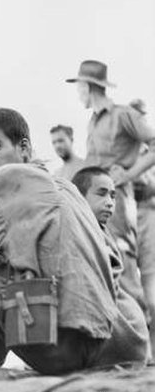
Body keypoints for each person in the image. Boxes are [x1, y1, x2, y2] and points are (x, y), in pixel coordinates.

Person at [0, 108, 149, 376]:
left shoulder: (9, 178)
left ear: (24, 148)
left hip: (66, 350)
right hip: (122, 345)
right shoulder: (68, 188)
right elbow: (113, 263)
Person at [66, 60, 155, 313]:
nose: (78, 93)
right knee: (102, 269)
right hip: (92, 205)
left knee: (123, 268)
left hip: (116, 205)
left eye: (79, 86)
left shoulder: (123, 114)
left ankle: (140, 342)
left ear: (88, 86)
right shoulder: (93, 122)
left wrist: (128, 174)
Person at [72, 166, 150, 363]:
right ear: (79, 197)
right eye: (102, 194)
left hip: (122, 337)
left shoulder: (97, 235)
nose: (110, 203)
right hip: (127, 336)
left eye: (113, 196)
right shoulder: (85, 229)